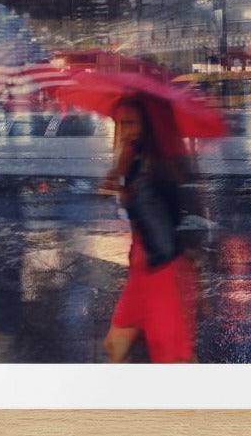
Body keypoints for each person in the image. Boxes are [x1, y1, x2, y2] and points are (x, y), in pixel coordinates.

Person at [101, 96, 198, 364]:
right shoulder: (136, 157)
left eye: (131, 123)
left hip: (162, 273)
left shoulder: (159, 166)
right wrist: (121, 177)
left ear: (148, 125)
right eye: (122, 123)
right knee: (114, 346)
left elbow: (160, 224)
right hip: (141, 270)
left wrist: (128, 188)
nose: (126, 130)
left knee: (173, 361)